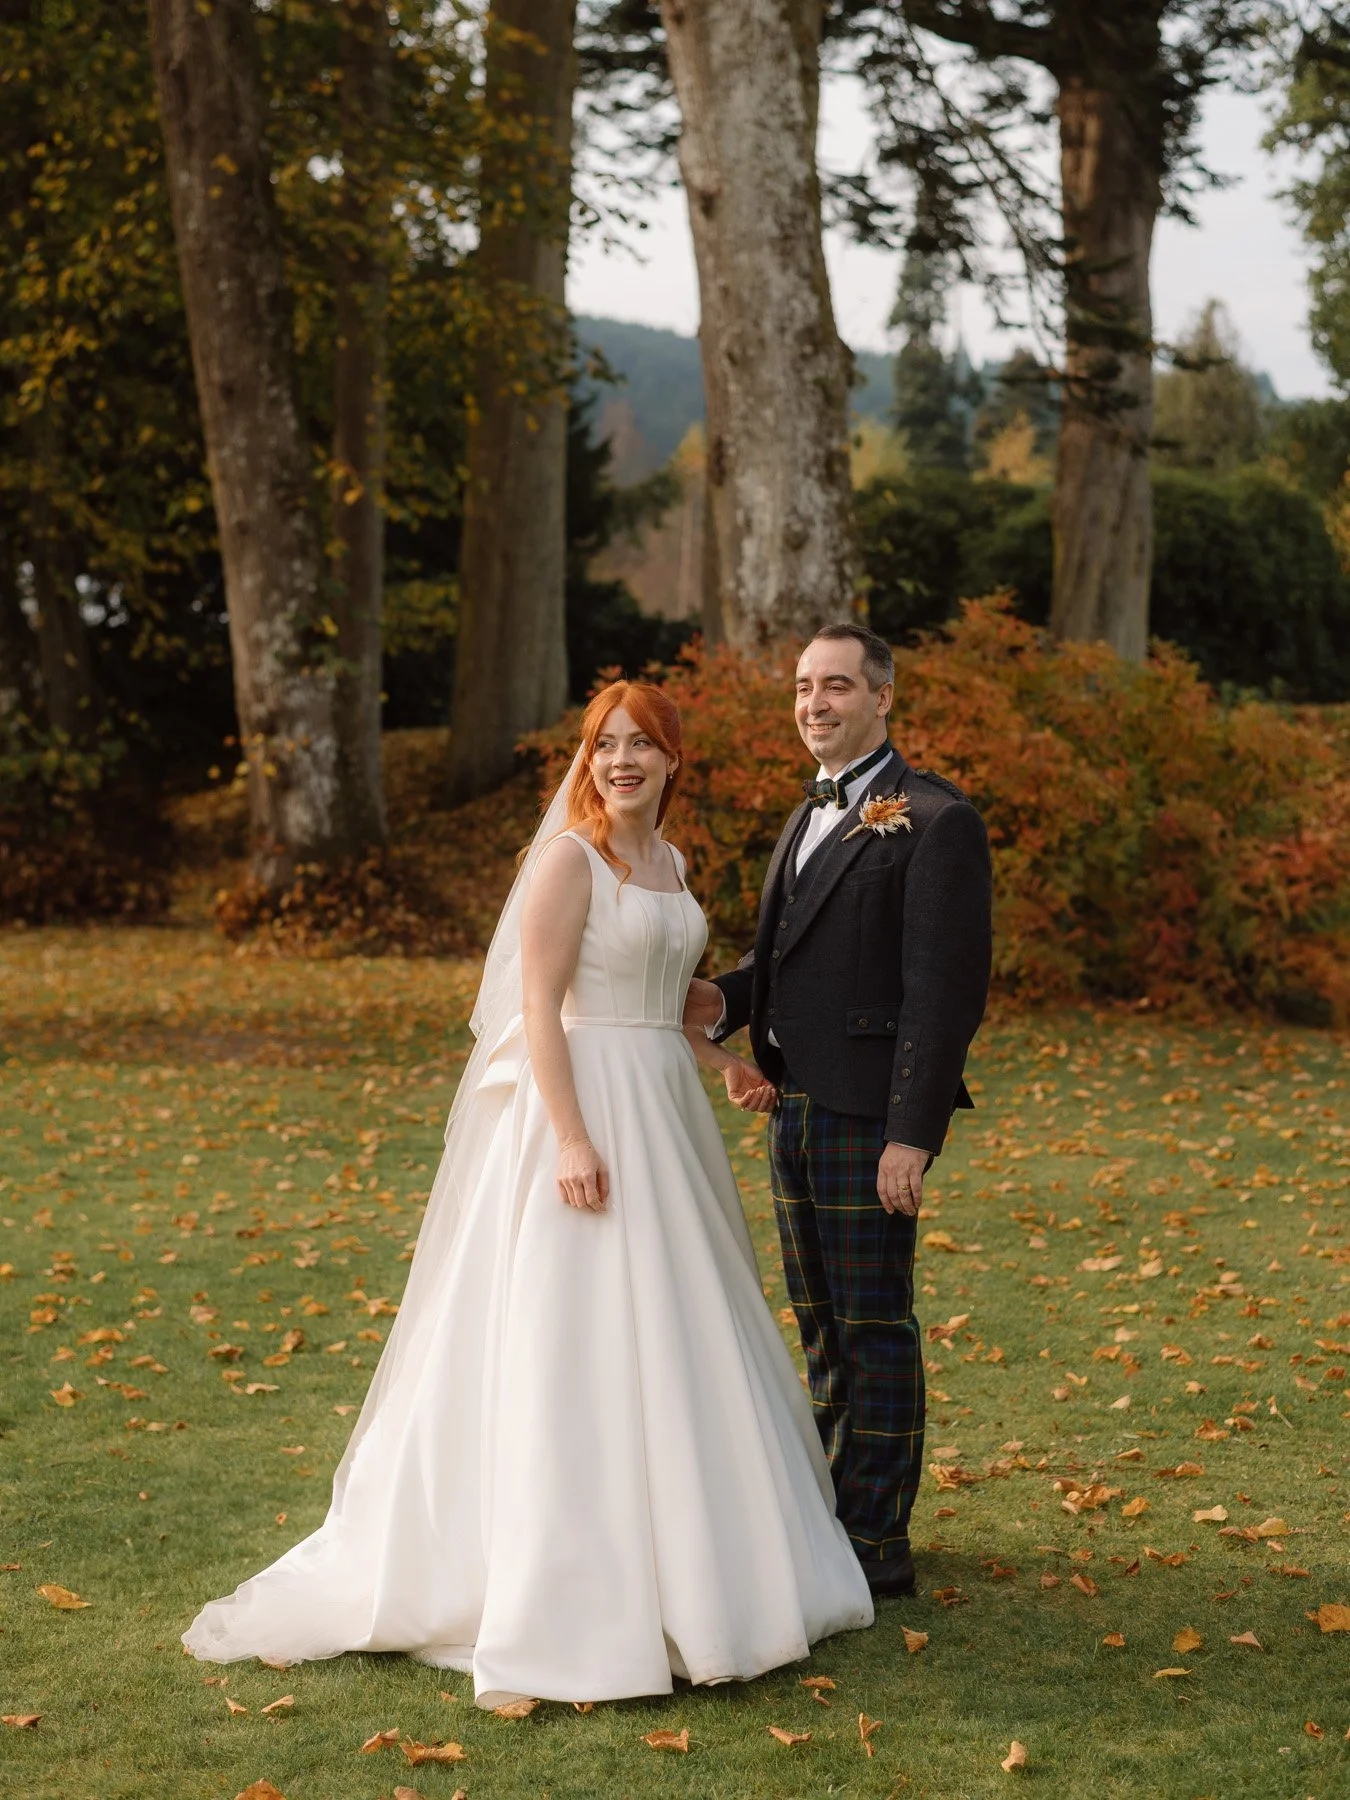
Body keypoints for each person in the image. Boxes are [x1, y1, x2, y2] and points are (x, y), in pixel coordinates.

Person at [182, 679, 872, 1705]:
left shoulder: (670, 863)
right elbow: (542, 1010)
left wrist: (717, 1060)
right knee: (574, 1336)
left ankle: (704, 1570)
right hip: (583, 1113)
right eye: (606, 746)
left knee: (679, 1332)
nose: (622, 762)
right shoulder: (566, 861)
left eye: (642, 746)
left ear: (674, 762)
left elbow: (645, 1006)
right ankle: (564, 1583)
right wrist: (569, 1138)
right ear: (587, 762)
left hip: (664, 1119)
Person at [685, 623, 992, 1599]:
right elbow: (792, 964)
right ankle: (831, 1519)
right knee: (819, 1323)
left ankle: (875, 1544)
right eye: (804, 687)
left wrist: (913, 1131)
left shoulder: (938, 821)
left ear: (882, 698)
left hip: (869, 1117)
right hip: (795, 1111)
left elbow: (943, 990)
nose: (815, 703)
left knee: (874, 1326)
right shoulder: (806, 814)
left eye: (837, 686)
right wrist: (723, 1005)